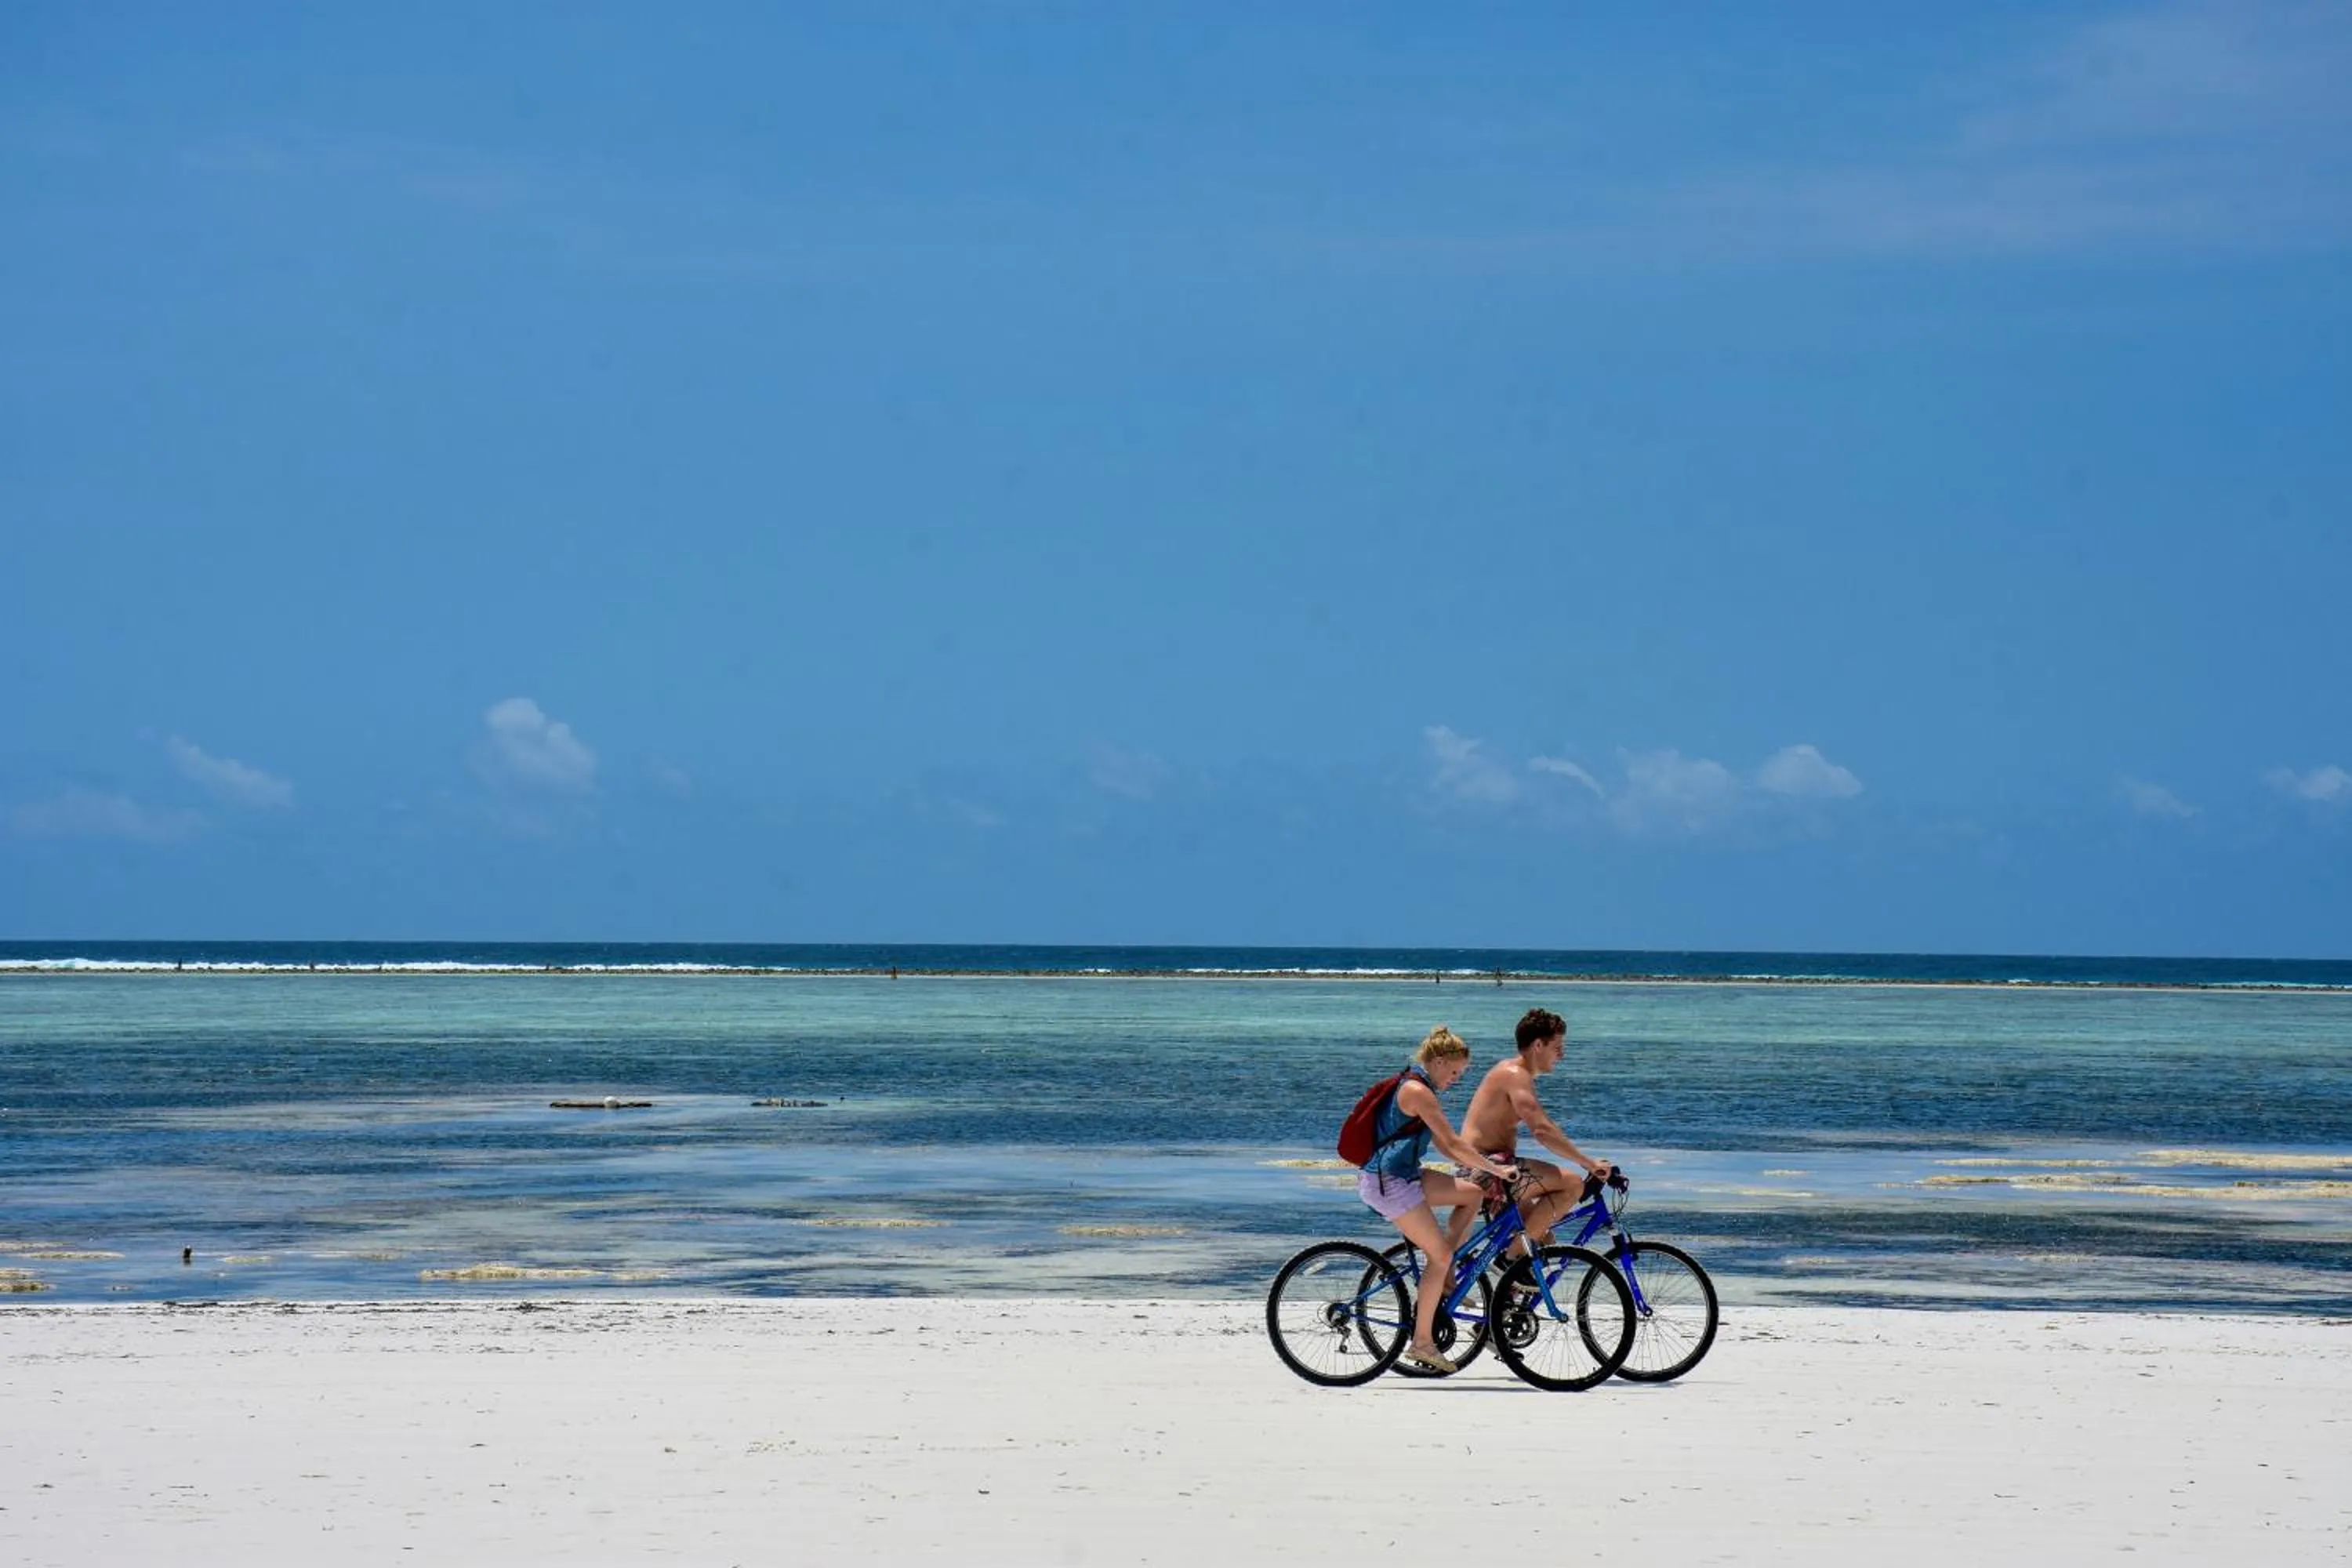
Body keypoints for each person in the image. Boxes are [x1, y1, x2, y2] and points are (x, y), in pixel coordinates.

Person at [1357, 1025, 1518, 1374]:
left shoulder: (1419, 1086)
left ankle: (1444, 1274)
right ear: (1440, 1061)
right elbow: (1453, 1145)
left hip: (1405, 1175)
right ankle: (1422, 1343)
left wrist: (1483, 1170)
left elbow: (1448, 1148)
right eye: (1456, 1072)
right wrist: (1496, 1169)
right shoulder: (1418, 1092)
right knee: (1441, 1256)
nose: (1457, 1080)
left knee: (1473, 1193)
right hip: (1389, 1183)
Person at [1458, 1007, 1616, 1254]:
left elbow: (1548, 1126)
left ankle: (1508, 1289)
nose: (1561, 1055)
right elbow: (1542, 1130)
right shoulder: (1515, 1075)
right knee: (1573, 1185)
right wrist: (1588, 1163)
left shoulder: (1512, 1072)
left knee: (1543, 1238)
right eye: (1557, 1048)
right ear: (1538, 1046)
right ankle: (1510, 1261)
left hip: (1490, 1168)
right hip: (1486, 1170)